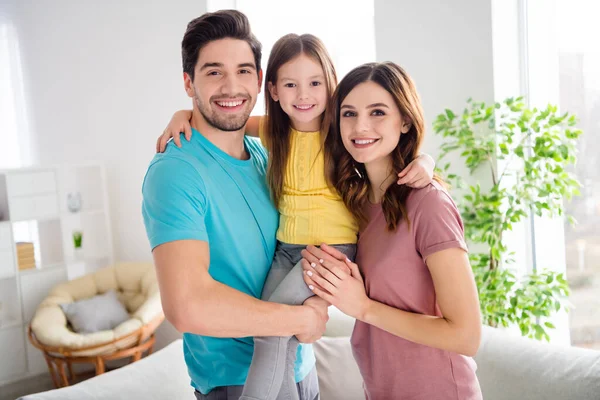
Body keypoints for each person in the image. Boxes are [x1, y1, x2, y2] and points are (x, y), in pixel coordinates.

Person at [157, 33, 436, 399]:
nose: (303, 95)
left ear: (330, 87)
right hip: (289, 250)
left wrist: (426, 161)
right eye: (291, 84)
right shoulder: (275, 133)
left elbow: (387, 147)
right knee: (276, 333)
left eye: (315, 83)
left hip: (328, 250)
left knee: (271, 333)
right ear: (272, 90)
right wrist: (182, 113)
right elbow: (226, 119)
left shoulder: (340, 133)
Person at [142, 11, 328, 400]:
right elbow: (186, 306)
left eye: (244, 71)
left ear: (261, 82)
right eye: (213, 72)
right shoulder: (176, 171)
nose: (231, 86)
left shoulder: (265, 153)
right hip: (238, 382)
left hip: (301, 369)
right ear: (188, 82)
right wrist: (300, 318)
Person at [301, 62, 483, 399]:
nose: (361, 126)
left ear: (405, 121)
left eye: (378, 112)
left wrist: (364, 308)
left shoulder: (429, 204)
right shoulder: (351, 204)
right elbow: (288, 126)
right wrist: (189, 116)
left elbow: (466, 336)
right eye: (349, 113)